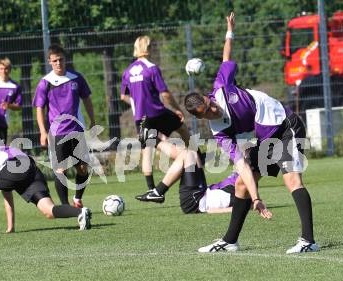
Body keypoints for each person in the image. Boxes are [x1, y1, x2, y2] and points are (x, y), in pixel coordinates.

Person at [184, 12, 319, 254]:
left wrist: (229, 30)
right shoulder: (220, 132)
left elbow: (227, 57)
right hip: (267, 138)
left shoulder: (222, 88)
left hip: (285, 125)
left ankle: (308, 241)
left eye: (210, 102)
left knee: (292, 180)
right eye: (208, 109)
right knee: (241, 186)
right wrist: (256, 198)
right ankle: (230, 241)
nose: (214, 106)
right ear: (202, 116)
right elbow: (242, 166)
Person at [0, 145, 92, 236]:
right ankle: (80, 212)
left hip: (13, 166)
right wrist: (10, 227)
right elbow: (7, 190)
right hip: (29, 167)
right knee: (49, 211)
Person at [120, 35, 191, 192]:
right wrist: (177, 108)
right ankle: (193, 157)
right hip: (157, 112)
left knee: (148, 150)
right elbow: (165, 94)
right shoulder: (152, 68)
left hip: (140, 117)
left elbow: (123, 96)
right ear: (148, 48)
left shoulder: (128, 71)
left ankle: (151, 188)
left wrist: (136, 103)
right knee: (182, 127)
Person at [33, 44, 95, 208]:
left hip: (76, 130)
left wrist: (92, 120)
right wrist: (42, 131)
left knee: (82, 168)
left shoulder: (76, 78)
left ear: (65, 59)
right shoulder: (45, 83)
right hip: (57, 132)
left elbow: (87, 99)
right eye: (55, 61)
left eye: (61, 59)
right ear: (49, 62)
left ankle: (77, 198)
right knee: (61, 170)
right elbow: (39, 108)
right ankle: (65, 205)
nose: (58, 63)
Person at [135, 141, 240, 214]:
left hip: (195, 201)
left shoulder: (245, 191)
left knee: (187, 155)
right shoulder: (242, 177)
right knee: (191, 153)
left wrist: (209, 210)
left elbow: (240, 208)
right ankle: (154, 139)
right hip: (202, 191)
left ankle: (158, 192)